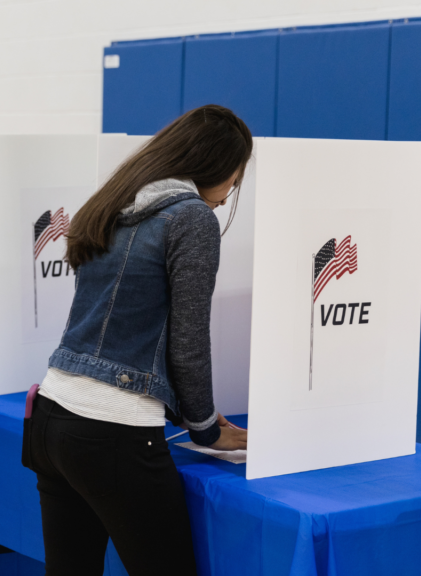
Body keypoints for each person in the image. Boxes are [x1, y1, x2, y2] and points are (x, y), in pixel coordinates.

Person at [23, 105, 252, 575]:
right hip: (113, 432)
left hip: (50, 416)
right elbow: (188, 342)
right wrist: (206, 428)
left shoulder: (113, 202)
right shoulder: (191, 219)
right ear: (213, 164)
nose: (229, 196)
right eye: (235, 177)